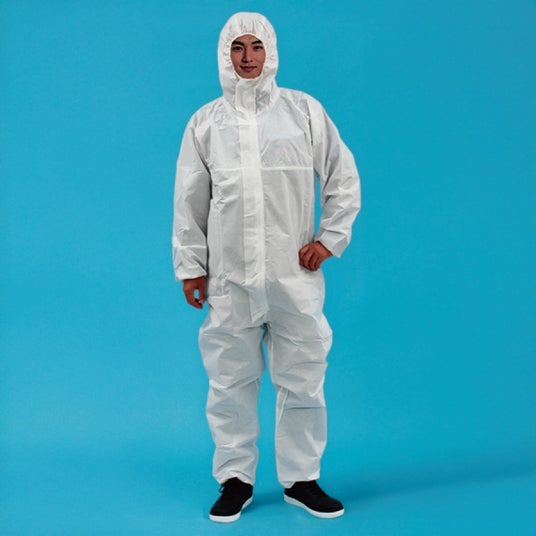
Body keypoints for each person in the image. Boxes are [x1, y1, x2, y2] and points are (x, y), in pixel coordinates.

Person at [172, 12, 361, 523]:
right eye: (238, 48)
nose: (248, 57)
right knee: (229, 381)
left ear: (270, 51)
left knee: (303, 376)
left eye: (256, 46)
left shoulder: (303, 112)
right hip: (229, 278)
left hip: (292, 277)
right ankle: (235, 479)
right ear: (225, 54)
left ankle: (302, 480)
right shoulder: (206, 123)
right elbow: (189, 199)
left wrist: (329, 240)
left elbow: (342, 176)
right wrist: (191, 265)